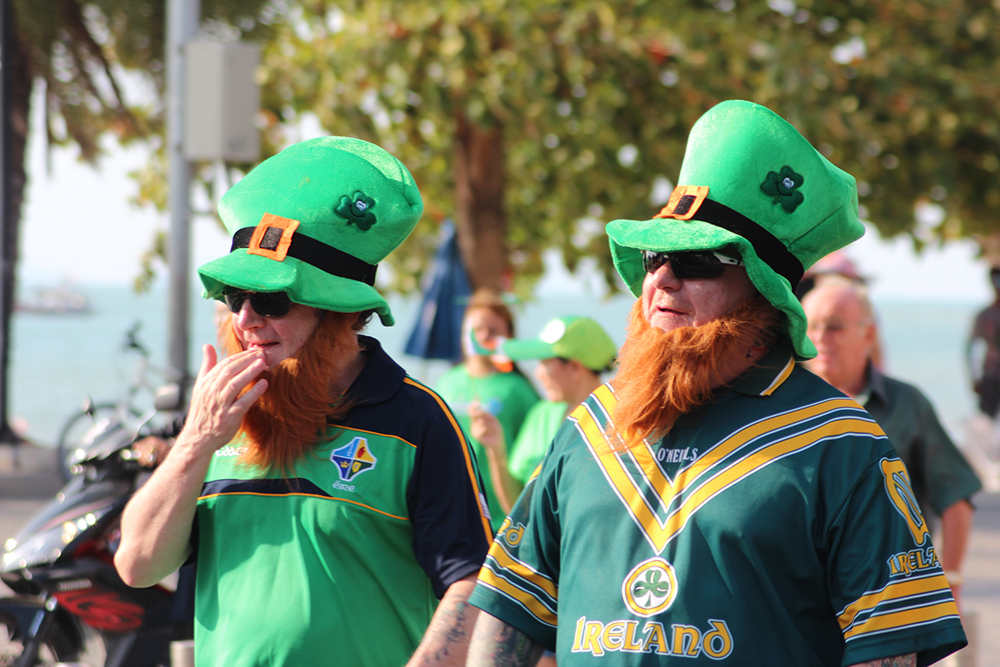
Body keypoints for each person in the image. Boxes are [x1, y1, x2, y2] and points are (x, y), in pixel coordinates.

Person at [465, 100, 966, 666]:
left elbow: (887, 649)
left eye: (698, 260)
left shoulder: (842, 445)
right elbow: (511, 608)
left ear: (762, 293)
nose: (661, 278)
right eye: (654, 255)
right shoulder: (589, 427)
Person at [114, 136, 492, 667]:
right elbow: (138, 565)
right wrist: (197, 440)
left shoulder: (415, 420)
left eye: (271, 299)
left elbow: (473, 582)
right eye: (234, 297)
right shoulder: (222, 415)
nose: (245, 320)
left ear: (337, 312)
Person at [802, 275, 981, 609]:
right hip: (804, 600)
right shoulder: (781, 407)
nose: (820, 338)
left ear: (868, 335)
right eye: (810, 327)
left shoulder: (907, 404)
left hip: (891, 600)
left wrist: (952, 577)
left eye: (834, 326)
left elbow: (955, 493)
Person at [469, 315, 618, 513]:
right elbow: (518, 511)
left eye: (545, 363)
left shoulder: (619, 423)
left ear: (574, 367)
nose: (538, 373)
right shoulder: (541, 415)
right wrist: (496, 450)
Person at [436, 289, 540, 530]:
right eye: (476, 330)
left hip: (500, 519)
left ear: (508, 336)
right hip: (451, 518)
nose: (483, 336)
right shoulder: (446, 382)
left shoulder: (519, 389)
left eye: (492, 331)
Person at [969, 265, 1000, 418]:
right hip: (990, 377)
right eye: (996, 281)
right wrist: (973, 376)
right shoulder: (985, 315)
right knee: (985, 423)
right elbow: (971, 347)